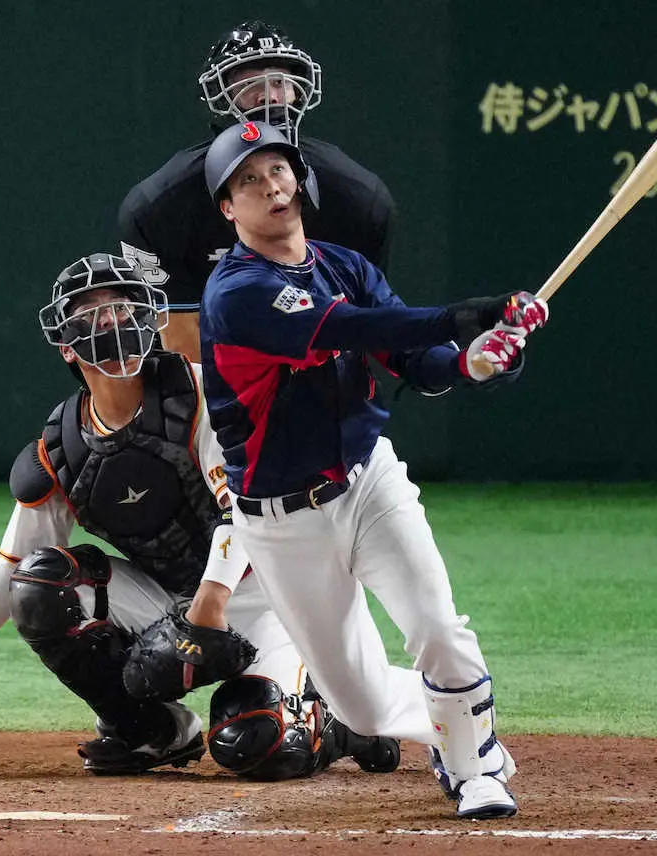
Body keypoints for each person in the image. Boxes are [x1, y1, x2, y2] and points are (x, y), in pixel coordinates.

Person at [0, 252, 399, 781]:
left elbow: (245, 512)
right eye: (94, 311)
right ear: (67, 343)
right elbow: (10, 567)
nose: (112, 320)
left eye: (122, 306)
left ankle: (345, 720)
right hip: (173, 598)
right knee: (40, 585)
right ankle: (151, 730)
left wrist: (209, 604)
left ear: (147, 317)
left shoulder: (210, 393)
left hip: (275, 596)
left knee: (257, 743)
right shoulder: (64, 447)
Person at [198, 122, 550, 819]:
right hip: (282, 521)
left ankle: (474, 767)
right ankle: (458, 725)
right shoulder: (235, 293)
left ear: (300, 180)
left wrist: (475, 360)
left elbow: (414, 361)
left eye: (278, 169)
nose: (270, 186)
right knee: (358, 704)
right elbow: (346, 329)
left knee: (438, 626)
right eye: (248, 180)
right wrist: (466, 315)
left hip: (369, 482)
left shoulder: (347, 266)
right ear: (228, 208)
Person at [118, 19, 396, 363]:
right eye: (249, 83)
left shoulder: (358, 200)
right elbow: (182, 345)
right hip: (211, 381)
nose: (269, 95)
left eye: (280, 81)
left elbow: (367, 328)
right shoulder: (161, 207)